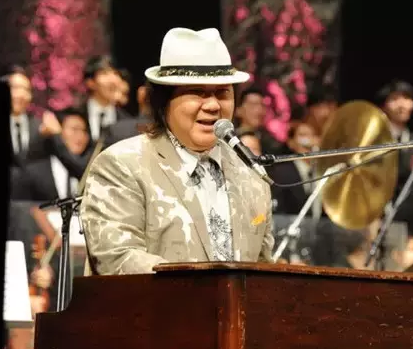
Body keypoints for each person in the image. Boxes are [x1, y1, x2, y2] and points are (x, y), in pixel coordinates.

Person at [80, 27, 275, 275]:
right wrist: (207, 290)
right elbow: (117, 260)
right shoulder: (121, 165)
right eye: (197, 92)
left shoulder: (252, 176)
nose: (213, 105)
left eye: (222, 92)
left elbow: (262, 271)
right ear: (164, 102)